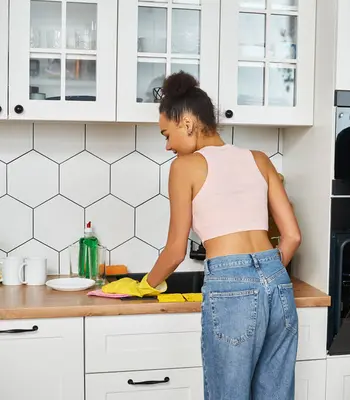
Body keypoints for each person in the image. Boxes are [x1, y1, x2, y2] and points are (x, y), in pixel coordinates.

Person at [112, 71, 302, 399]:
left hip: (231, 285)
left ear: (186, 122)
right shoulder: (259, 159)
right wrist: (264, 271)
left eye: (167, 133)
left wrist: (144, 285)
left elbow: (175, 251)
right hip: (277, 280)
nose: (167, 144)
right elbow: (292, 237)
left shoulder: (185, 166)